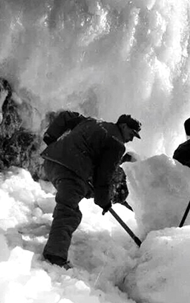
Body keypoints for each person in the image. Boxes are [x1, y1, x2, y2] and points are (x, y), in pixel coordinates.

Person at [41, 111, 142, 269]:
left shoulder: (92, 121)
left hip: (51, 163)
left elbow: (66, 116)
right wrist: (104, 200)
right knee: (68, 212)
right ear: (123, 126)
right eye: (131, 133)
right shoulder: (116, 143)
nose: (131, 138)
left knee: (73, 202)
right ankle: (55, 256)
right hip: (71, 173)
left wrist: (50, 137)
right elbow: (104, 175)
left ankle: (56, 242)